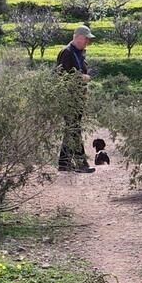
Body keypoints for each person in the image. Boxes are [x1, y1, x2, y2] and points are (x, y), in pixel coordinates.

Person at [56, 24, 94, 173]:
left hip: (76, 99)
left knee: (71, 130)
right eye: (86, 39)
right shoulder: (67, 53)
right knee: (74, 130)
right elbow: (62, 76)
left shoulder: (77, 52)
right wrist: (82, 77)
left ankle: (64, 164)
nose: (87, 42)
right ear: (77, 37)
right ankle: (80, 164)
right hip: (69, 99)